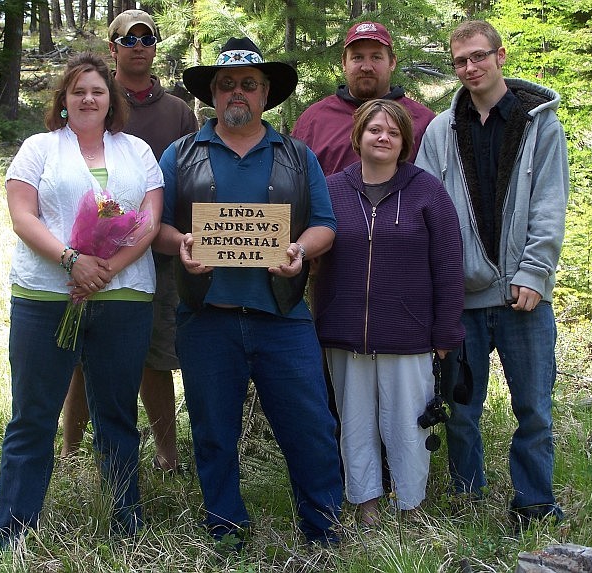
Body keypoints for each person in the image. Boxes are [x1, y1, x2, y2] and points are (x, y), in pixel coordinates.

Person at [153, 37, 343, 546]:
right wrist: (183, 243)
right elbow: (158, 226)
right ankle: (226, 532)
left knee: (311, 428)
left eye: (248, 84)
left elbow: (324, 224)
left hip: (283, 316)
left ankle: (324, 529)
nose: (237, 92)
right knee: (214, 433)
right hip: (206, 317)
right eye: (227, 84)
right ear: (213, 94)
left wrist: (300, 249)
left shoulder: (297, 157)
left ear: (266, 95)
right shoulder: (182, 153)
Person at [0, 52, 164, 546]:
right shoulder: (38, 148)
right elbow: (23, 216)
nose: (88, 98)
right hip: (46, 295)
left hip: (124, 297)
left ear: (112, 101)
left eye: (98, 91)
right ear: (63, 102)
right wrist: (72, 261)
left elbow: (149, 221)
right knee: (33, 414)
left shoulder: (137, 152)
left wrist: (106, 267)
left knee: (116, 415)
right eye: (78, 91)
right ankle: (13, 531)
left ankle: (124, 525)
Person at [414, 20, 569, 529]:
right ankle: (467, 499)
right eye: (460, 62)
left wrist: (535, 271)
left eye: (479, 57)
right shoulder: (440, 130)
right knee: (462, 413)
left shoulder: (539, 122)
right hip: (463, 297)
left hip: (525, 295)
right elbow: (429, 211)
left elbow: (549, 203)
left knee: (534, 410)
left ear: (500, 56)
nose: (470, 68)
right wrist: (437, 292)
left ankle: (534, 505)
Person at [313, 99, 464, 525]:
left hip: (410, 335)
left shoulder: (427, 191)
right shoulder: (330, 189)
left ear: (405, 143)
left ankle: (411, 505)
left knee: (408, 427)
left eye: (393, 133)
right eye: (374, 130)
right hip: (344, 333)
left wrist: (446, 331)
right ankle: (366, 505)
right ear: (357, 137)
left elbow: (449, 264)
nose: (383, 137)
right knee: (355, 424)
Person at [60, 9, 198, 473]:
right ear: (113, 48)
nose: (139, 45)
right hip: (87, 259)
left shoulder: (179, 111)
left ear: (155, 47)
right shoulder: (93, 98)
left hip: (158, 255)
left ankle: (167, 453)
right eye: (128, 38)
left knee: (156, 357)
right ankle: (71, 452)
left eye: (147, 37)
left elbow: (190, 180)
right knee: (82, 355)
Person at [292, 21, 436, 176]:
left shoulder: (423, 122)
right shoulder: (313, 121)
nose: (366, 67)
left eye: (376, 57)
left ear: (392, 62)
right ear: (344, 63)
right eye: (357, 57)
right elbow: (295, 184)